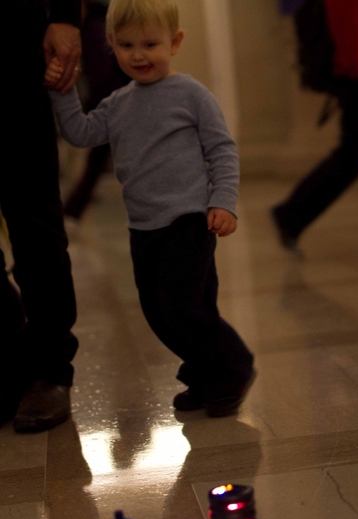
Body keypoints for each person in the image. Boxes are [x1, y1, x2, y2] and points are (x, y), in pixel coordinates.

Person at [45, 0, 255, 418]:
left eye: (150, 44)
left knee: (183, 307)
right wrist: (64, 92)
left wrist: (222, 202)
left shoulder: (191, 94)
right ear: (110, 46)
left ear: (174, 42)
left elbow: (222, 150)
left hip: (189, 222)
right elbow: (81, 133)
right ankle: (204, 374)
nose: (138, 54)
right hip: (143, 228)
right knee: (159, 310)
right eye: (126, 45)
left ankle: (233, 367)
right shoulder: (118, 103)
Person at [0, 0, 81, 432]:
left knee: (33, 219)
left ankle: (50, 369)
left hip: (12, 38)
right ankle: (11, 360)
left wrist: (65, 14)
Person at [271, 0, 358, 250]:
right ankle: (290, 215)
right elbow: (345, 9)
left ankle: (290, 216)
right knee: (357, 152)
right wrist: (354, 63)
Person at [63, 0, 130, 221]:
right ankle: (73, 209)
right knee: (96, 161)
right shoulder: (96, 26)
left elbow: (102, 74)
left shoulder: (96, 25)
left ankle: (73, 209)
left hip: (111, 102)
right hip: (111, 103)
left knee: (98, 162)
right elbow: (102, 74)